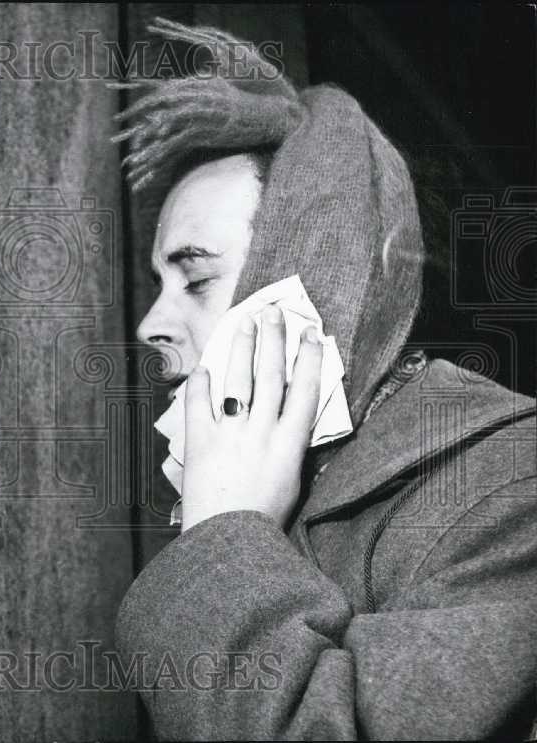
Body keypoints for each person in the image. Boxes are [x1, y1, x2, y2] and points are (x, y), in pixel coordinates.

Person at [113, 20, 537, 740]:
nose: (151, 322)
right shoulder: (256, 489)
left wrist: (223, 532)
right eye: (158, 282)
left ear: (310, 277)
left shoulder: (510, 480)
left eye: (195, 276)